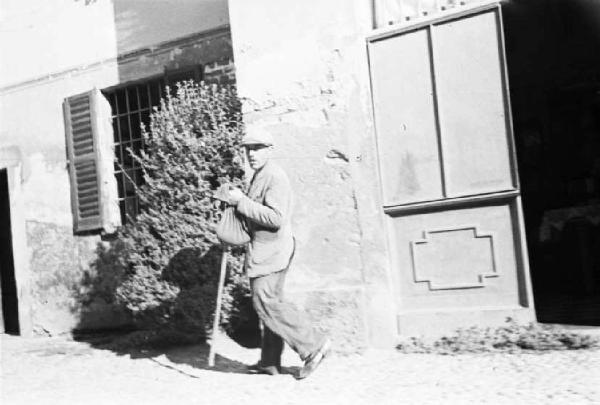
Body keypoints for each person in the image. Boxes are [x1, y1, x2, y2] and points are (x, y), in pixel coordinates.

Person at [222, 127, 331, 380]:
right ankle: (270, 361)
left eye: (258, 149)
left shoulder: (274, 176)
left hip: (273, 251)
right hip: (267, 250)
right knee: (269, 301)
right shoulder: (261, 175)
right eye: (248, 149)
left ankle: (313, 346)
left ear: (270, 151)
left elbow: (275, 218)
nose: (251, 154)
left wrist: (241, 202)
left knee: (266, 302)